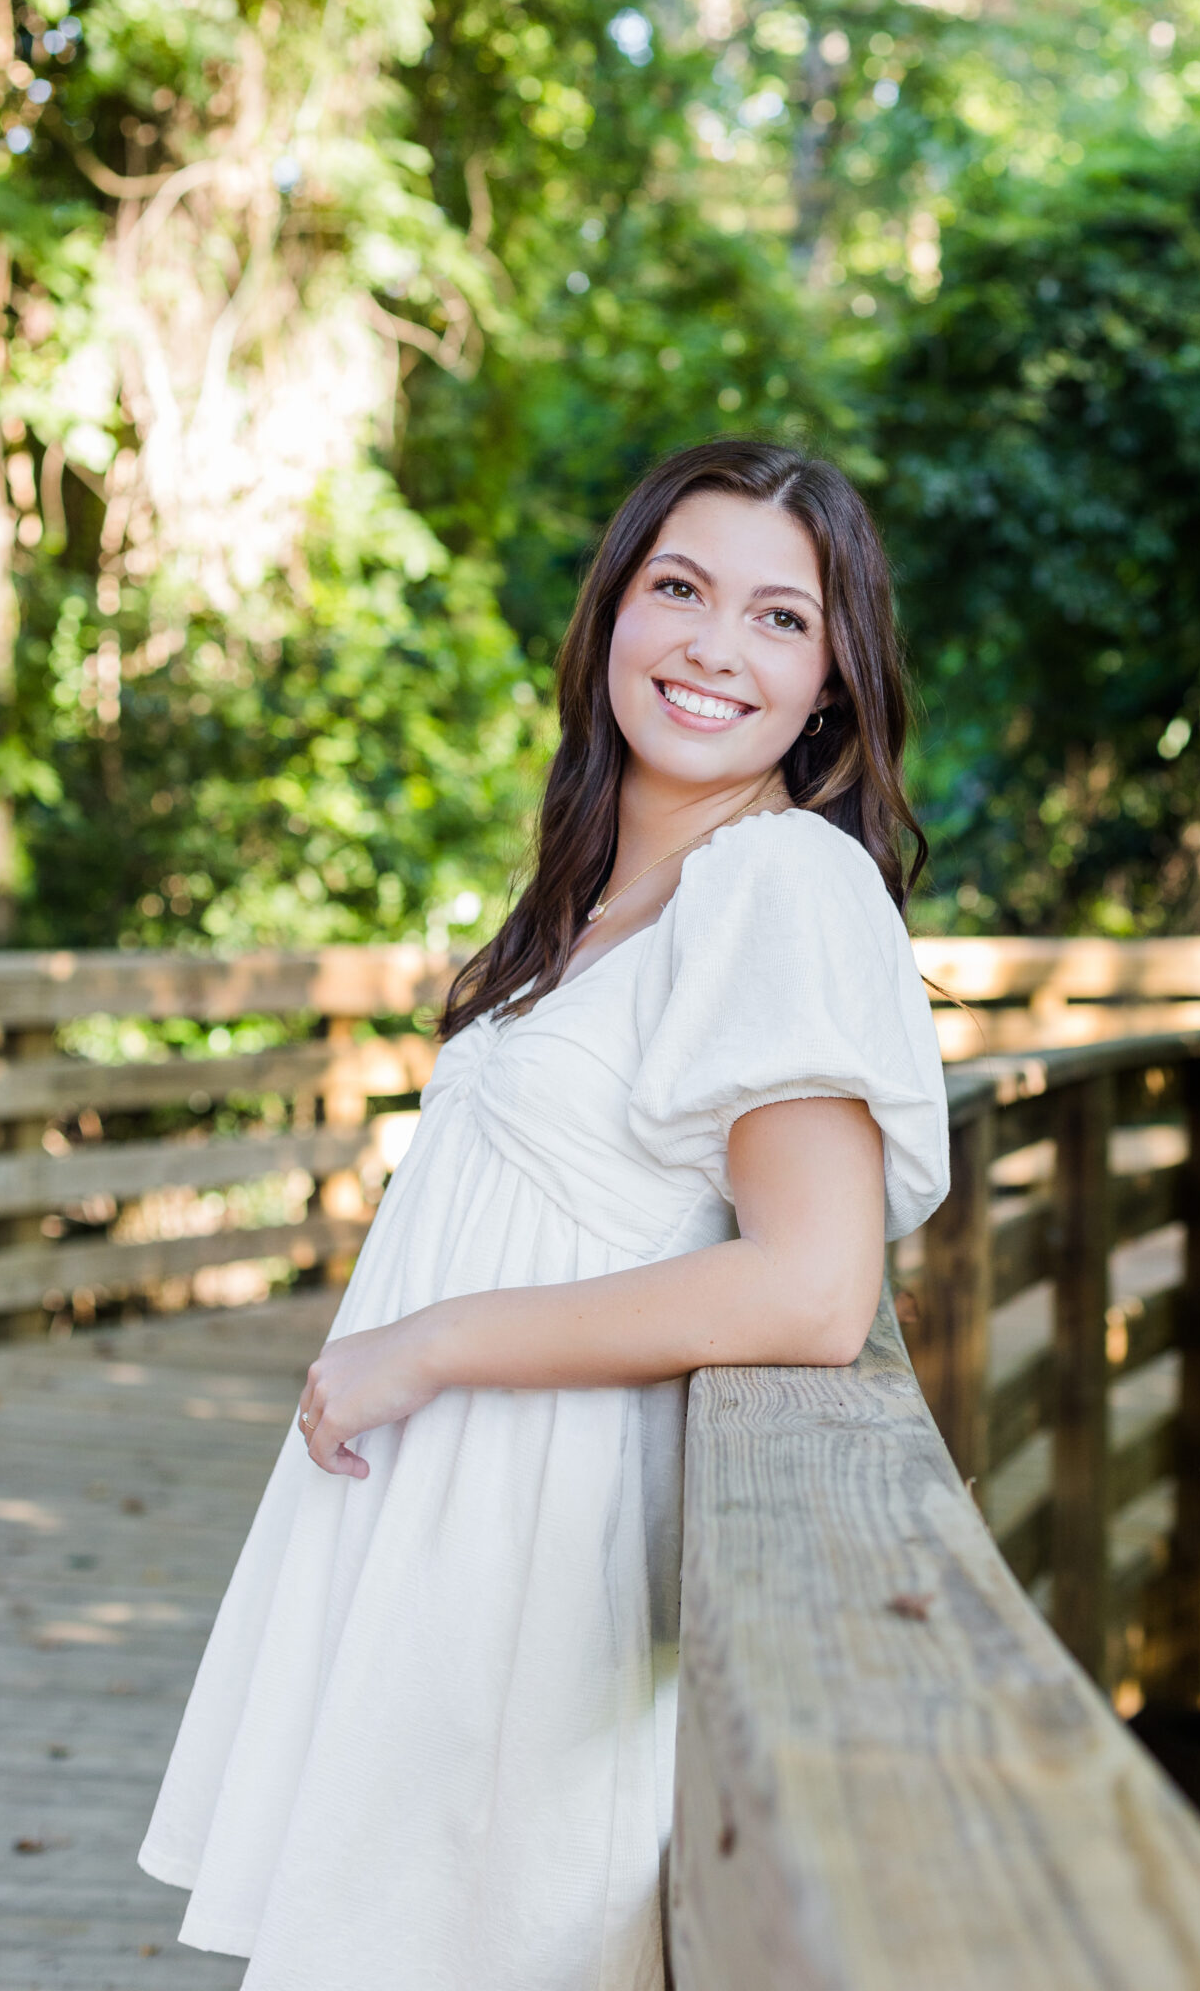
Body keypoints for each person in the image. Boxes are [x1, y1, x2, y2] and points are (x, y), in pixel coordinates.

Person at [138, 440, 949, 1991]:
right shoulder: (595, 894)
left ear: (835, 682)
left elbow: (811, 1290)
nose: (718, 645)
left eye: (784, 619)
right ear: (612, 617)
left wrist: (430, 1343)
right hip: (436, 1549)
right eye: (682, 589)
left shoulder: (781, 884)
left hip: (534, 1580)